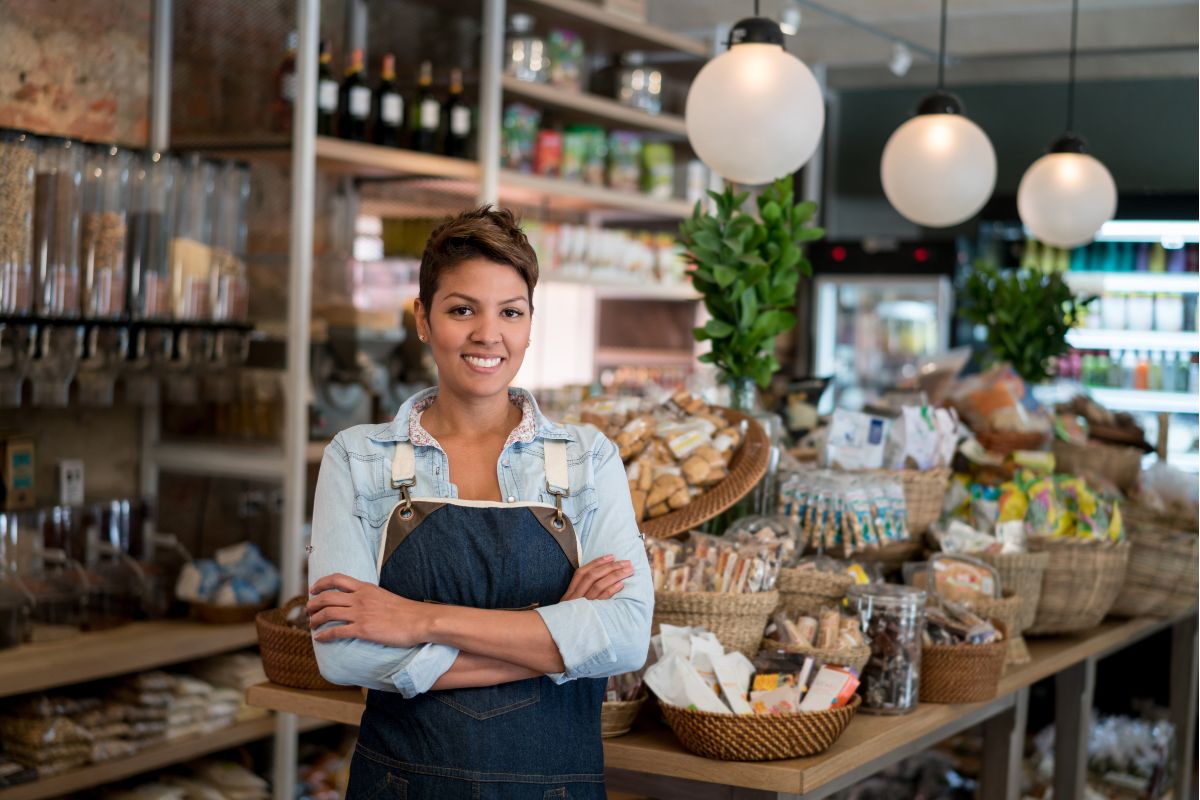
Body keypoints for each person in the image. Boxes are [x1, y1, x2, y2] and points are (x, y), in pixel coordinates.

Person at [306, 206, 653, 799]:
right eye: (462, 309)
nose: (488, 334)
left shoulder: (586, 459)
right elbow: (344, 654)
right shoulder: (358, 457)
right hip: (402, 785)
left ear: (529, 324)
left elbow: (623, 638)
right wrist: (556, 642)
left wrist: (418, 619)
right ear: (423, 318)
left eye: (510, 312)